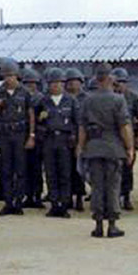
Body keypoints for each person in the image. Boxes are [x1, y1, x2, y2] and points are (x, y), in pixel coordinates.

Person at [79, 63, 135, 238]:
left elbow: (82, 127)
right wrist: (130, 147)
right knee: (112, 186)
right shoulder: (118, 100)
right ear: (111, 79)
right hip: (113, 147)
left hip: (93, 147)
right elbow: (124, 126)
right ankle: (112, 225)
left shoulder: (88, 100)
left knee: (97, 186)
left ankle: (98, 225)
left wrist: (81, 147)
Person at [0, 61, 36, 216]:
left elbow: (31, 114)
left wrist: (31, 136)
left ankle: (18, 201)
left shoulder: (24, 92)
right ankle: (8, 202)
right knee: (5, 169)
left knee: (20, 169)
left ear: (16, 76)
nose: (8, 79)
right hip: (4, 134)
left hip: (20, 134)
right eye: (5, 76)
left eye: (11, 75)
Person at [39, 68, 79, 218]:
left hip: (65, 140)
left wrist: (75, 138)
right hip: (49, 140)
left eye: (58, 83)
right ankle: (54, 203)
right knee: (50, 173)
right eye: (52, 83)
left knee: (65, 173)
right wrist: (41, 121)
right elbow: (35, 121)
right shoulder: (43, 101)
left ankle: (64, 204)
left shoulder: (71, 100)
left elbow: (77, 121)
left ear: (63, 84)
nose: (55, 86)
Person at [111, 67, 138, 210]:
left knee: (127, 169)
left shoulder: (133, 98)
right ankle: (115, 197)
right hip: (112, 138)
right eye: (117, 83)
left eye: (122, 82)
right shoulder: (109, 97)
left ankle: (127, 196)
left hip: (128, 138)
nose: (119, 85)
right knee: (113, 169)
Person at [22, 68, 46, 209]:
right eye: (27, 83)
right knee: (25, 168)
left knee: (36, 168)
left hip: (38, 137)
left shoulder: (41, 98)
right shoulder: (22, 97)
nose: (30, 85)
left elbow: (44, 117)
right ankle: (28, 195)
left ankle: (37, 195)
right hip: (22, 135)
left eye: (33, 83)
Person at [65, 68, 89, 211]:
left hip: (82, 138)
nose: (72, 84)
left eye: (75, 81)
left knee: (80, 169)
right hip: (66, 138)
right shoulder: (64, 98)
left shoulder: (86, 98)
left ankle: (79, 196)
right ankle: (67, 197)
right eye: (69, 81)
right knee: (66, 169)